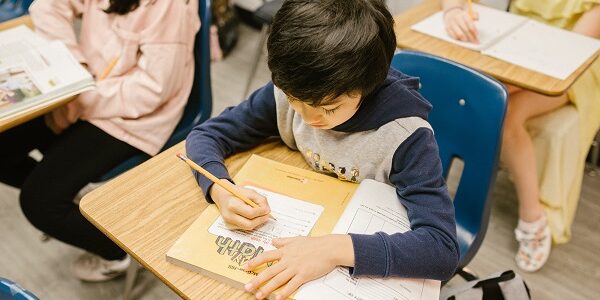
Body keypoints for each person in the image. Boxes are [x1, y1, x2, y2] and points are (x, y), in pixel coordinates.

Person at [185, 0, 459, 299]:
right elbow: (206, 135)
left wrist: (334, 249)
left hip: (357, 258)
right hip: (312, 221)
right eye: (293, 99)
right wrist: (220, 188)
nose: (307, 117)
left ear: (367, 87)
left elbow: (441, 249)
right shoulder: (296, 88)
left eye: (329, 108)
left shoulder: (406, 136)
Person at [0, 0, 199, 281]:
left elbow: (152, 91)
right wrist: (72, 62)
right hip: (85, 89)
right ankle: (75, 202)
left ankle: (117, 253)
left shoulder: (169, 7)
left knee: (39, 203)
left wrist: (78, 95)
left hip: (132, 116)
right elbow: (47, 6)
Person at [442, 0, 600, 272]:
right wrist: (453, 10)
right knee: (468, 89)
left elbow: (571, 52)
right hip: (514, 48)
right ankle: (436, 192)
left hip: (574, 68)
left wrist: (500, 77)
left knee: (499, 108)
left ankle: (532, 217)